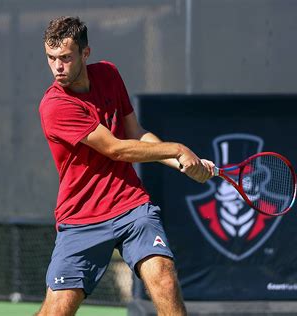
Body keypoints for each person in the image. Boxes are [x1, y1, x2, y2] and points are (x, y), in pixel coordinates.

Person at [37, 16, 215, 316]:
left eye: (65, 58)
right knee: (58, 310)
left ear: (85, 53)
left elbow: (135, 133)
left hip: (131, 206)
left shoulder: (108, 74)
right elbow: (116, 149)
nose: (58, 67)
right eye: (51, 58)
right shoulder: (55, 106)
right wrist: (178, 148)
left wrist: (180, 162)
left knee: (164, 278)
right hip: (81, 218)